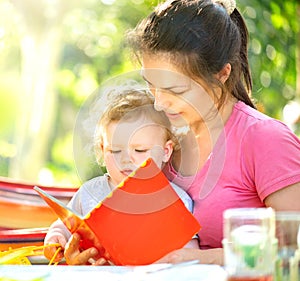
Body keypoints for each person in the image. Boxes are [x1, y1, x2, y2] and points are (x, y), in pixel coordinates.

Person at [125, 0, 300, 265]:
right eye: (151, 85)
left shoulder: (265, 140)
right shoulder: (160, 137)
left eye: (176, 90)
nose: (159, 102)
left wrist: (196, 258)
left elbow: (292, 249)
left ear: (222, 74)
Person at [43, 83, 199, 265]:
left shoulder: (175, 200)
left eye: (140, 150)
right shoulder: (89, 193)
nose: (125, 159)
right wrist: (56, 236)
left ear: (166, 151)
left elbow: (190, 254)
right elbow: (64, 225)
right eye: (115, 151)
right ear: (102, 149)